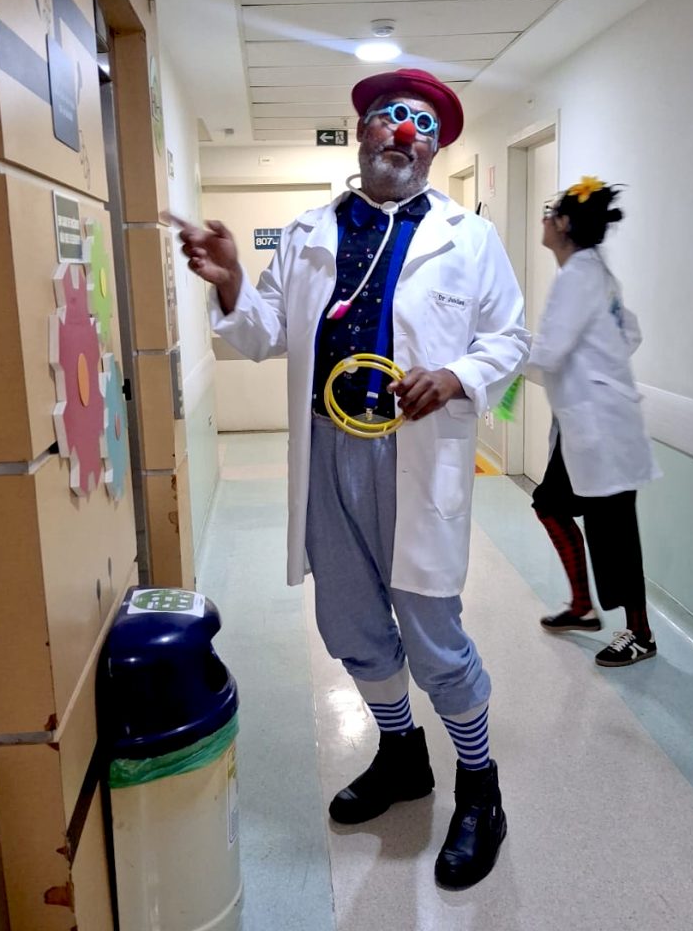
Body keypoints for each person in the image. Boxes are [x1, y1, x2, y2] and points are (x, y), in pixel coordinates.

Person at [170, 68, 529, 889]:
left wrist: (457, 374)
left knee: (431, 630)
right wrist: (230, 281)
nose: (404, 133)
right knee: (349, 620)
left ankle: (480, 789)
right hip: (327, 447)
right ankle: (402, 755)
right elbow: (264, 333)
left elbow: (509, 336)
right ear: (361, 129)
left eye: (423, 125)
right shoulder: (310, 231)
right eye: (390, 116)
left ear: (433, 151)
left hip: (415, 450)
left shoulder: (468, 237)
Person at [528, 177, 661, 666]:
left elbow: (549, 354)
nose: (544, 219)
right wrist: (599, 368)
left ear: (564, 223)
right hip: (588, 426)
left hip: (600, 430)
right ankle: (583, 607)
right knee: (550, 504)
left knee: (614, 532)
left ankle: (641, 634)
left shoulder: (577, 277)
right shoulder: (595, 272)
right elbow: (630, 333)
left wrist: (501, 350)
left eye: (550, 212)